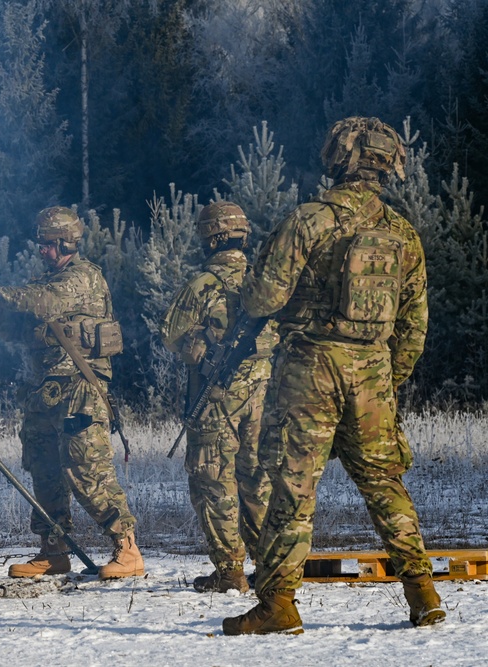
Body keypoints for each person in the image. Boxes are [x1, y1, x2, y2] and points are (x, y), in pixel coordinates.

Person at [223, 117, 446, 635]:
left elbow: (264, 298)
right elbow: (414, 325)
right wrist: (385, 377)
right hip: (372, 372)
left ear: (339, 156)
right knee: (384, 482)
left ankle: (278, 603)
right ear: (390, 163)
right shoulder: (401, 233)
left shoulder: (309, 221)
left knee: (293, 485)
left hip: (311, 368)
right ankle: (423, 593)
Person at [0, 206, 144, 580]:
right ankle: (53, 549)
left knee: (87, 468)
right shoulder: (43, 281)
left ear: (64, 243)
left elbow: (44, 301)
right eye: (39, 243)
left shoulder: (82, 278)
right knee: (44, 469)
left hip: (80, 388)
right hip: (45, 392)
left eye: (45, 244)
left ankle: (128, 549)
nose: (40, 250)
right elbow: (17, 328)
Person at [159, 201, 275, 594]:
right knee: (258, 478)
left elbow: (170, 334)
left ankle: (230, 571)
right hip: (264, 393)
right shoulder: (265, 282)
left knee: (213, 483)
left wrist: (200, 347)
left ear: (209, 238)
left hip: (217, 398)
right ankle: (270, 564)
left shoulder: (202, 286)